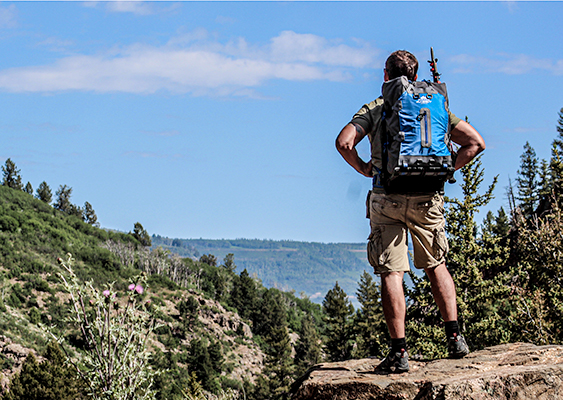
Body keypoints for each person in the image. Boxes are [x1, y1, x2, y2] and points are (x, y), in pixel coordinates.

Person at [335, 50, 485, 373]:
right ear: (416, 77)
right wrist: (447, 170)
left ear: (386, 76)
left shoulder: (378, 107)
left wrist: (364, 167)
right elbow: (476, 143)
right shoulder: (434, 105)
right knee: (436, 265)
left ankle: (399, 353)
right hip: (427, 198)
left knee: (392, 272)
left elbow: (344, 141)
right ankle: (455, 337)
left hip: (386, 197)